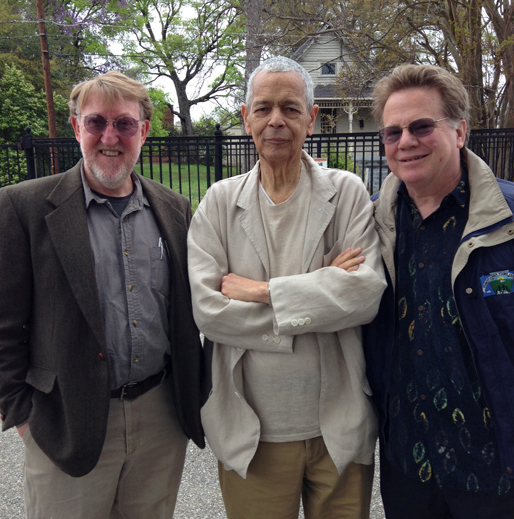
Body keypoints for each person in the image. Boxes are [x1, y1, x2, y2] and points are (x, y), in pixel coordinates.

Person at [187, 56, 386, 519]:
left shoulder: (348, 192)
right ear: (246, 117)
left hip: (337, 428)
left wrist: (260, 292)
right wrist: (321, 289)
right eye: (264, 108)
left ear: (312, 119)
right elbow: (209, 312)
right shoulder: (218, 203)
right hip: (253, 437)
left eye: (291, 108)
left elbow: (363, 295)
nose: (276, 120)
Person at [0, 71, 204, 519]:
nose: (109, 137)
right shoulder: (24, 207)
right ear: (76, 128)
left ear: (144, 132)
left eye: (124, 124)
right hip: (67, 419)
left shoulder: (174, 210)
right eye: (96, 122)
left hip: (160, 417)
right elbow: (4, 324)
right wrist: (22, 416)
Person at [363, 64, 514, 518]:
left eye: (422, 126)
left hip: (495, 473)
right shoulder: (370, 227)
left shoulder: (507, 219)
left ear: (460, 131)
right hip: (408, 470)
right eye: (392, 133)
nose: (405, 141)